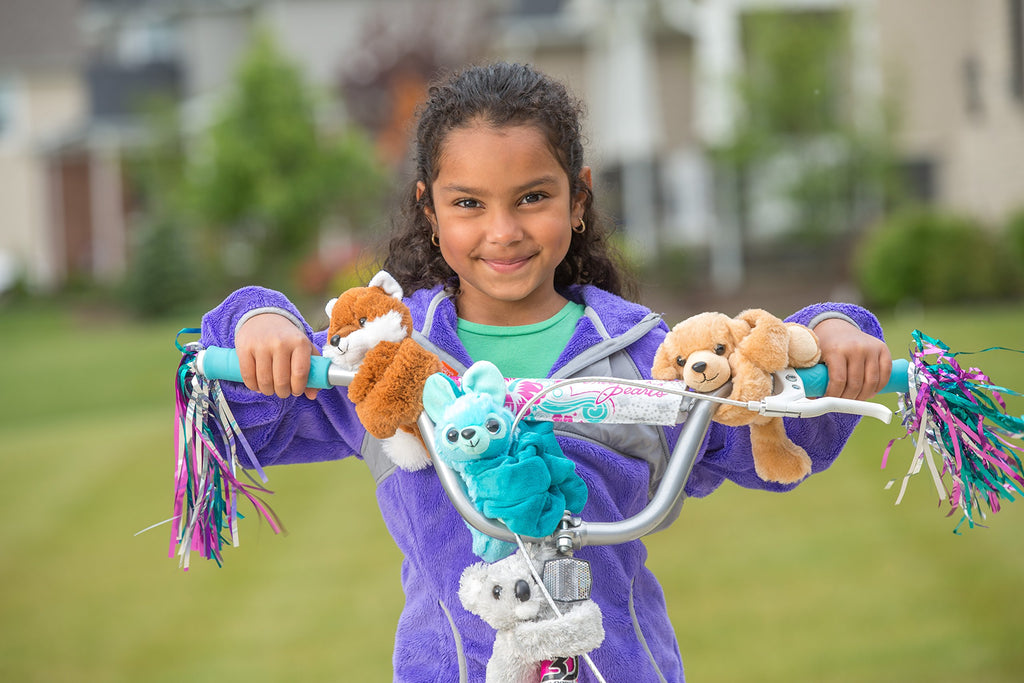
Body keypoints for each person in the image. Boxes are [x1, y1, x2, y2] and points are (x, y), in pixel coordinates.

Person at [200, 62, 892, 681]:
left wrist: (834, 333)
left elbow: (772, 419)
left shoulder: (643, 355)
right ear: (430, 210)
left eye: (532, 197)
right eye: (468, 203)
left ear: (577, 198)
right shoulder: (386, 354)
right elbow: (243, 421)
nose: (504, 231)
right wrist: (258, 320)